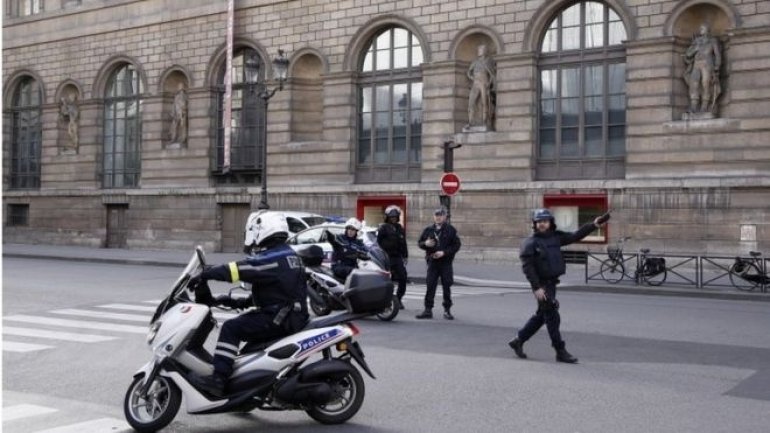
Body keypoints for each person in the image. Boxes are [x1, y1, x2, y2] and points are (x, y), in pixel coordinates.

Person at [187, 212, 308, 396]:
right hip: (287, 314)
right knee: (246, 354)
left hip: (281, 318)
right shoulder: (285, 254)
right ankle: (247, 391)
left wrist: (206, 274)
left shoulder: (274, 258)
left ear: (262, 230)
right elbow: (278, 292)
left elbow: (240, 269)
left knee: (231, 328)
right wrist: (230, 301)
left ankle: (218, 381)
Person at [508, 208, 608, 363]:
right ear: (535, 224)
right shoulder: (530, 243)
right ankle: (560, 350)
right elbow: (528, 268)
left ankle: (518, 340)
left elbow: (575, 236)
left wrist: (594, 225)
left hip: (552, 283)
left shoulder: (555, 237)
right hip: (542, 285)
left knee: (542, 316)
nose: (542, 224)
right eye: (539, 221)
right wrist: (536, 288)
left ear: (550, 223)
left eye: (545, 221)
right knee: (553, 316)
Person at [416, 207, 461, 320]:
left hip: (445, 262)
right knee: (430, 285)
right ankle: (428, 310)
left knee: (446, 286)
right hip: (432, 262)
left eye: (440, 215)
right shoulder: (429, 230)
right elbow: (420, 243)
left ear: (445, 217)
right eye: (436, 215)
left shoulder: (451, 230)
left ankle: (447, 310)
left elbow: (456, 246)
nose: (438, 217)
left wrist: (444, 252)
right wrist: (425, 243)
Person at [683, 23, 721, 114]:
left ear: (707, 30)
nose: (701, 30)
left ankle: (704, 106)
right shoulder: (697, 41)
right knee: (694, 84)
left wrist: (717, 66)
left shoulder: (712, 41)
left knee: (706, 84)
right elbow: (688, 54)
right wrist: (695, 48)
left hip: (707, 64)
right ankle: (693, 107)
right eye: (700, 28)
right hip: (696, 64)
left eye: (703, 28)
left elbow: (717, 54)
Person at [377, 206, 409, 309]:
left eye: (395, 217)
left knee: (403, 278)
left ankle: (398, 299)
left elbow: (404, 243)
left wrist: (405, 255)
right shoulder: (383, 228)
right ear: (387, 217)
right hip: (386, 258)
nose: (393, 218)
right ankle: (387, 300)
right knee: (388, 280)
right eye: (391, 217)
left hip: (397, 257)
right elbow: (378, 243)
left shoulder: (400, 228)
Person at [466, 43, 496, 129]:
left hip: (484, 83)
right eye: (478, 50)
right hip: (475, 83)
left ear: (484, 51)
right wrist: (472, 78)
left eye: (481, 50)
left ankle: (485, 122)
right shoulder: (475, 62)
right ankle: (471, 122)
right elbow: (469, 72)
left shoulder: (488, 61)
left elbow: (492, 75)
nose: (479, 51)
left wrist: (489, 83)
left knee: (484, 103)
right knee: (471, 103)